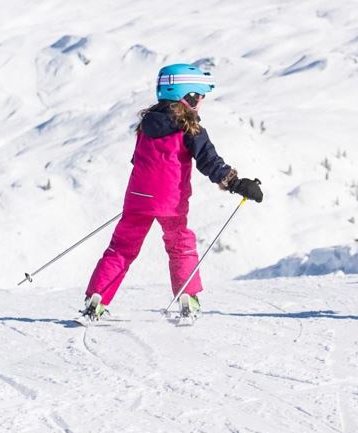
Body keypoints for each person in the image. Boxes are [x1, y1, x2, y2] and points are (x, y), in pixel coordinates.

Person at [80, 63, 263, 321]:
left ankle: (96, 298)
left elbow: (137, 161)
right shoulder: (190, 128)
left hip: (137, 199)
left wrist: (143, 198)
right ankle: (187, 297)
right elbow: (209, 161)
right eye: (199, 98)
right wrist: (235, 183)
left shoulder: (146, 125)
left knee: (120, 248)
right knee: (180, 245)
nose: (200, 104)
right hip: (171, 202)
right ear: (187, 97)